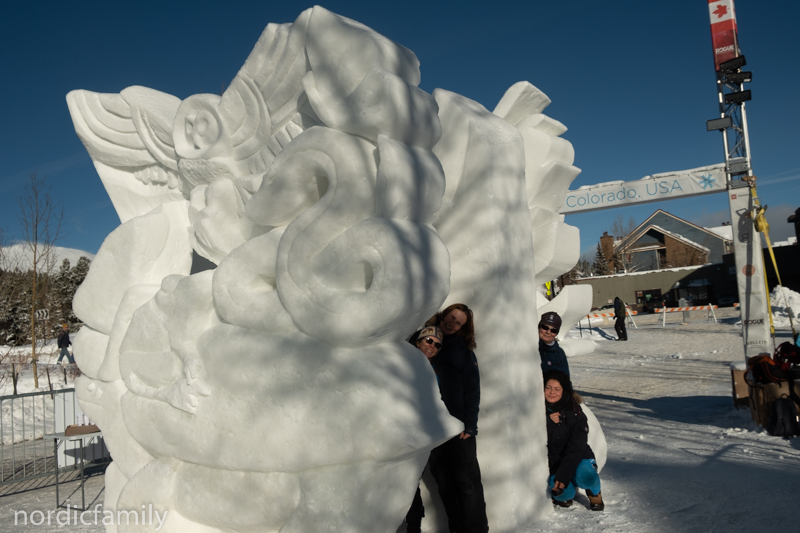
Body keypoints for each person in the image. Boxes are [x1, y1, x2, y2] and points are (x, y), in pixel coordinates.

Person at [408, 303, 489, 533]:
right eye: (452, 317)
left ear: (464, 328)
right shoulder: (424, 339)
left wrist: (470, 425)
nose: (453, 323)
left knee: (468, 484)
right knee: (445, 482)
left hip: (458, 428)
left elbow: (472, 391)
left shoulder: (463, 352)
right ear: (444, 315)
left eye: (459, 322)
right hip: (434, 428)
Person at [544, 370, 604, 511]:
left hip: (578, 456)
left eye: (557, 389)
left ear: (564, 391)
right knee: (562, 494)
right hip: (555, 461)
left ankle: (594, 491)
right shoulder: (538, 410)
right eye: (548, 388)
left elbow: (576, 448)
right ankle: (568, 492)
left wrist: (563, 476)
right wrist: (549, 422)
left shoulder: (576, 414)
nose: (552, 392)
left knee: (586, 477)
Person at [539, 311, 568, 377]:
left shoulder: (559, 353)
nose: (548, 332)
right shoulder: (530, 347)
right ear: (539, 327)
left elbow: (565, 380)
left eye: (553, 330)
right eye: (545, 327)